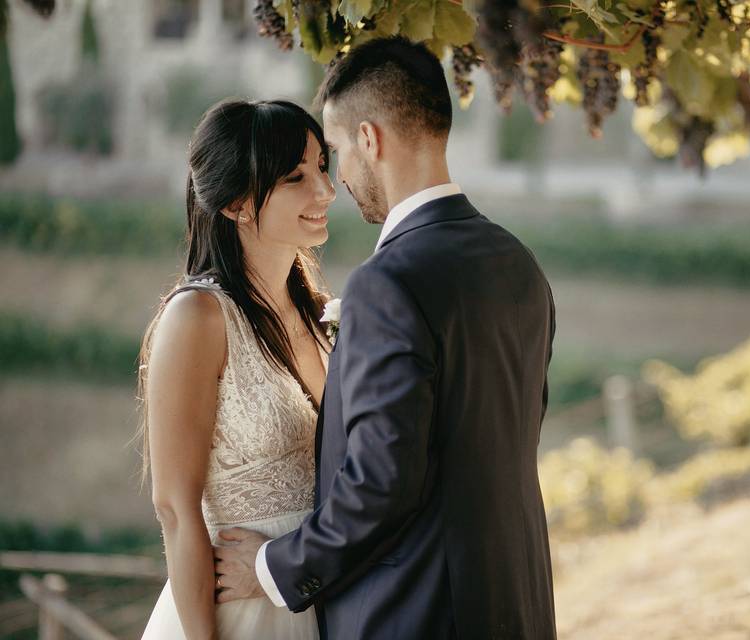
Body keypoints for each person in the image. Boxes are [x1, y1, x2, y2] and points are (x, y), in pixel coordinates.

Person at [214, 36, 558, 639]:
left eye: (338, 150)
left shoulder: (387, 282)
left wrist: (272, 568)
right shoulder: (518, 263)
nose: (338, 177)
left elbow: (381, 481)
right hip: (516, 603)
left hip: (415, 616)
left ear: (369, 139)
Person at [138, 99, 336, 639]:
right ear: (237, 204)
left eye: (322, 167)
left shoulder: (320, 313)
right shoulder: (197, 317)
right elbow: (175, 509)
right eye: (296, 176)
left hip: (316, 593)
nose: (325, 191)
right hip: (240, 614)